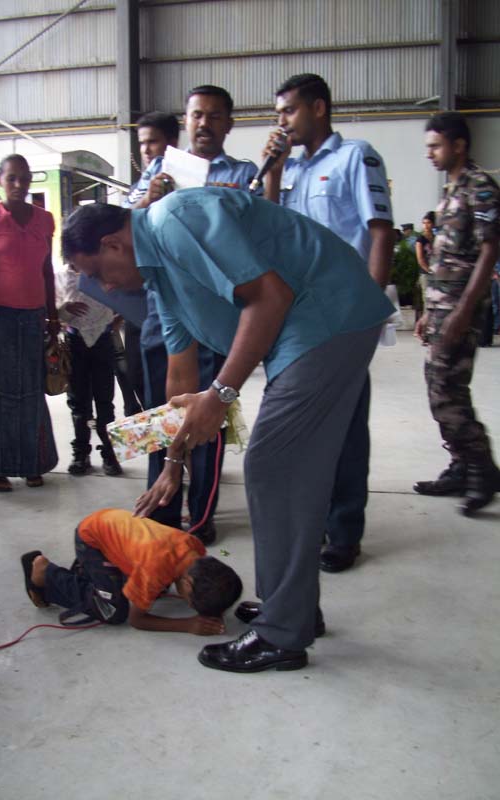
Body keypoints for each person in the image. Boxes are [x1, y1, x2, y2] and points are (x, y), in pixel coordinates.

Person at [61, 189, 394, 673]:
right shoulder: (162, 282)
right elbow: (181, 379)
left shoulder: (175, 220)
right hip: (310, 330)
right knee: (287, 472)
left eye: (97, 273)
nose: (105, 287)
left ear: (113, 244)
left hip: (327, 316)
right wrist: (173, 463)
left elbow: (269, 297)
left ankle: (282, 633)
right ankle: (291, 609)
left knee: (275, 469)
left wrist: (220, 395)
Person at [261, 73, 395, 573]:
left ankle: (343, 532)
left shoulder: (356, 157)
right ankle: (314, 519)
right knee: (305, 430)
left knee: (346, 429)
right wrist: (273, 173)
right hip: (298, 319)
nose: (282, 122)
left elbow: (380, 233)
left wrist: (369, 309)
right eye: (278, 114)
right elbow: (270, 232)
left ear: (318, 108)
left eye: (289, 111)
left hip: (344, 315)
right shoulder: (291, 169)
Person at [124, 92, 258, 545]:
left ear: (229, 124)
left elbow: (254, 235)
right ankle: (160, 510)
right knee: (160, 414)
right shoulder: (158, 170)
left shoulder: (243, 176)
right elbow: (127, 228)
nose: (204, 123)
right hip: (161, 307)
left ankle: (201, 515)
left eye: (215, 116)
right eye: (197, 115)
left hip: (211, 312)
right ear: (186, 120)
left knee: (207, 414)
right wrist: (149, 199)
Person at [414, 112, 500, 515]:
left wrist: (463, 311)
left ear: (459, 145)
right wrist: (428, 312)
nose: (429, 153)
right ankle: (462, 465)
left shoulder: (479, 186)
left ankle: (482, 468)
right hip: (442, 310)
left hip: (459, 311)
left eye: (435, 146)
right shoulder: (452, 189)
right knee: (439, 388)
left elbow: (490, 249)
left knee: (447, 392)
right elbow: (446, 257)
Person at [0, 154, 59, 493]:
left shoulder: (44, 219)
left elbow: (46, 270)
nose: (19, 184)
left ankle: (32, 463)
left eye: (25, 178)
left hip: (33, 316)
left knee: (30, 390)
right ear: (0, 180)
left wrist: (52, 314)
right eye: (12, 178)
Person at [20, 507, 242, 634]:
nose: (189, 606)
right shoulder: (155, 569)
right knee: (114, 611)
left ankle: (88, 571)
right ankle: (46, 573)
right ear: (188, 583)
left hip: (110, 523)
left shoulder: (195, 548)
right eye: (191, 602)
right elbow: (137, 620)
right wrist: (188, 625)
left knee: (149, 589)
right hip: (91, 541)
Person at [55, 263, 122, 476]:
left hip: (103, 342)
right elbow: (54, 312)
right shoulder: (61, 277)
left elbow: (122, 299)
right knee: (78, 403)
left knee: (105, 401)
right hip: (74, 343)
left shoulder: (104, 273)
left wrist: (118, 318)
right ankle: (81, 454)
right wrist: (64, 309)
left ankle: (110, 453)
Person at [415, 211, 436, 320]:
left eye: (428, 223)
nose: (426, 226)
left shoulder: (436, 238)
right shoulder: (420, 239)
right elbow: (420, 259)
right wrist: (429, 270)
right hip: (426, 273)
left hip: (437, 271)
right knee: (427, 300)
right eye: (424, 223)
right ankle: (425, 323)